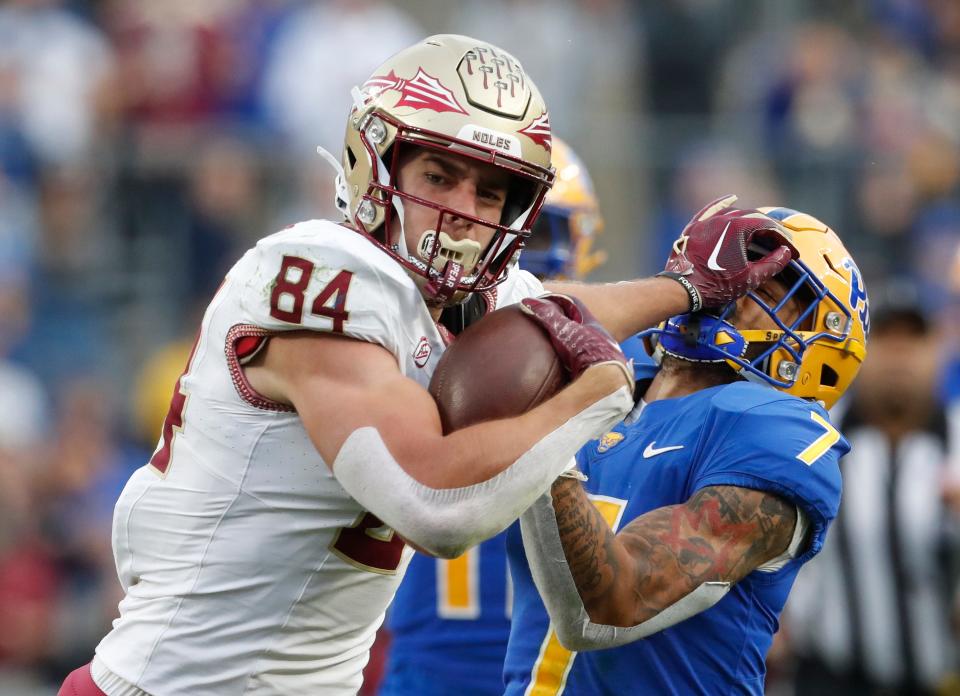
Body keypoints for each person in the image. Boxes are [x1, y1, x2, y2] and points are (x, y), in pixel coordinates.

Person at [58, 35, 795, 696]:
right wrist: (595, 395)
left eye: (489, 192)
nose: (463, 212)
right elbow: (433, 505)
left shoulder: (470, 297)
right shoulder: (317, 271)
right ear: (373, 160)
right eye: (439, 177)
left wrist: (687, 289)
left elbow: (558, 313)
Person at [503, 206, 870, 695]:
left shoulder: (774, 427)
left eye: (760, 289)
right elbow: (521, 312)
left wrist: (544, 422)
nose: (725, 293)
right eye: (716, 275)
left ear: (819, 343)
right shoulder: (605, 383)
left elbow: (610, 605)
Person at [379, 138, 644, 695]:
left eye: (541, 232)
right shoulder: (410, 337)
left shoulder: (627, 365)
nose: (519, 250)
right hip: (435, 670)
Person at [783, 282, 960, 695]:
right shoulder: (812, 438)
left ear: (940, 348)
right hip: (832, 675)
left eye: (913, 339)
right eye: (885, 338)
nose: (899, 355)